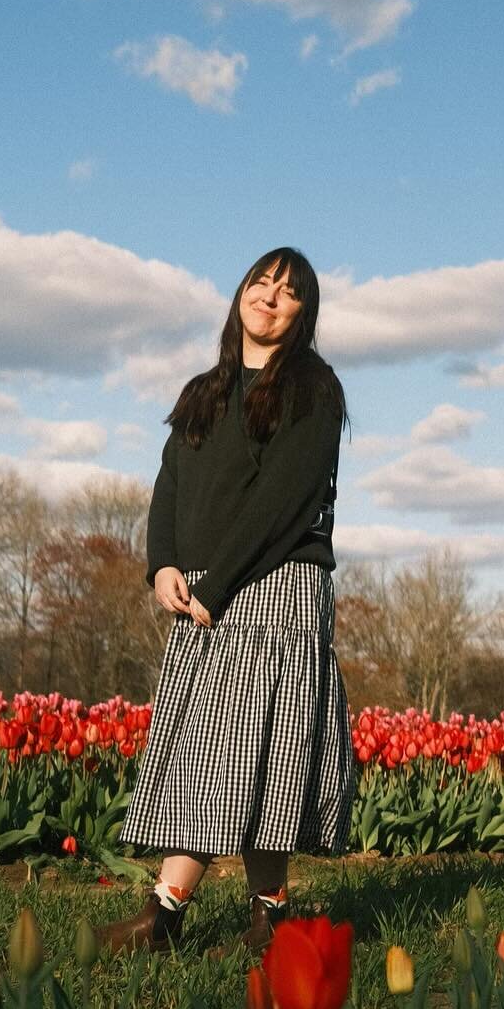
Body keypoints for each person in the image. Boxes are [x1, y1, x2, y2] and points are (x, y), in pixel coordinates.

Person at [99, 245, 355, 955]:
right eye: (261, 282)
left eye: (290, 291)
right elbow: (171, 484)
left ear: (304, 313)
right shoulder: (205, 391)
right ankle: (259, 918)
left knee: (238, 753)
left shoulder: (313, 388)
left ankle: (172, 915)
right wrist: (163, 565)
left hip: (276, 588)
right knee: (233, 753)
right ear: (241, 292)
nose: (270, 297)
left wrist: (218, 582)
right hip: (210, 590)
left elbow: (285, 500)